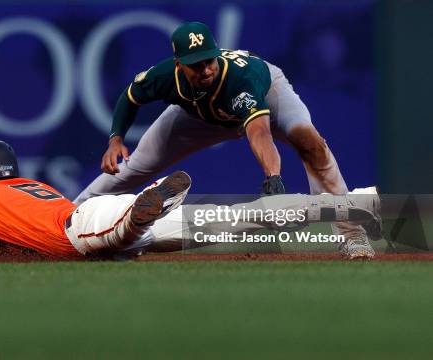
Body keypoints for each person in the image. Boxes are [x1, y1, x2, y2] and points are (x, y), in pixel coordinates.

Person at [74, 21, 376, 259]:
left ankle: (352, 234)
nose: (205, 69)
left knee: (311, 143)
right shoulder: (164, 76)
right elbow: (130, 97)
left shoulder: (239, 79)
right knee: (135, 166)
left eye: (209, 60)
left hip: (268, 94)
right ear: (179, 63)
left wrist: (273, 176)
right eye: (196, 64)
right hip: (196, 115)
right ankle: (67, 217)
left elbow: (259, 132)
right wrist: (115, 139)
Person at [0, 139, 382, 260]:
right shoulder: (31, 189)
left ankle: (144, 204)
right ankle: (352, 202)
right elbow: (22, 230)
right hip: (106, 231)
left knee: (105, 228)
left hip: (86, 226)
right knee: (238, 221)